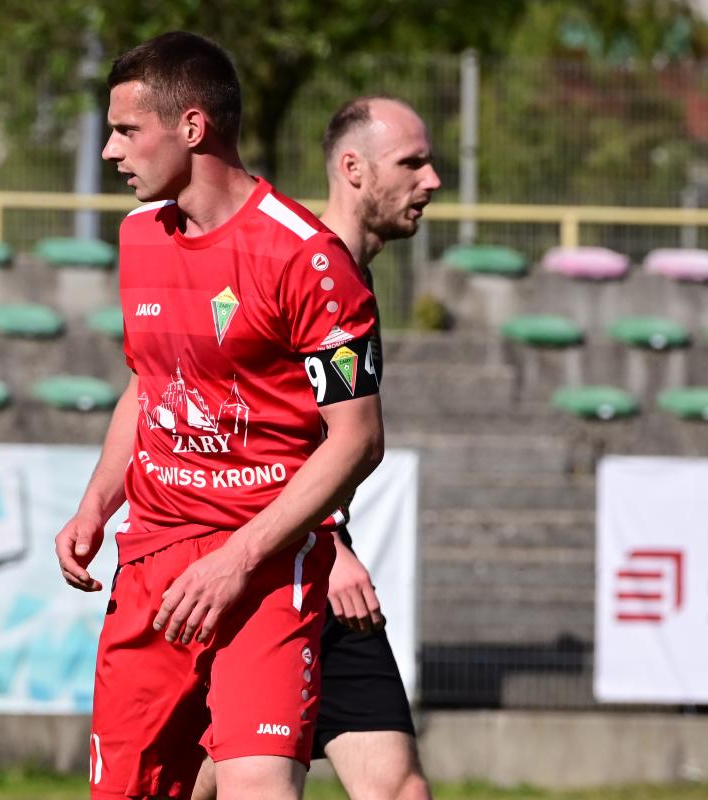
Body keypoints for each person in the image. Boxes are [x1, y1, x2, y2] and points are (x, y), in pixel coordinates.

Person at [54, 32, 384, 800]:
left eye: (126, 130)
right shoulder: (139, 238)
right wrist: (97, 503)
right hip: (151, 567)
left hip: (264, 569)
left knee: (258, 785)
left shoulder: (309, 260)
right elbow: (150, 384)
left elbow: (358, 440)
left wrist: (237, 558)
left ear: (193, 127)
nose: (109, 150)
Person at [192, 97, 440, 800]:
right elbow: (241, 424)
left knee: (397, 788)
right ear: (353, 169)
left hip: (311, 551)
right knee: (196, 782)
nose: (432, 180)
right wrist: (325, 539)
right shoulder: (298, 266)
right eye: (413, 163)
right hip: (266, 559)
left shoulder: (350, 275)